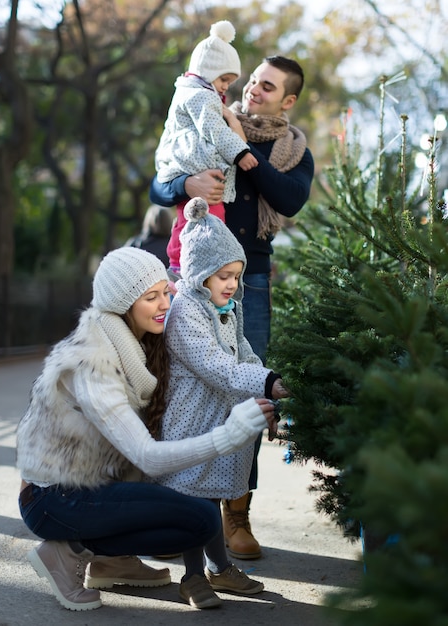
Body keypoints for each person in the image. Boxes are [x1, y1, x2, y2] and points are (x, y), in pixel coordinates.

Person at [16, 246, 277, 612]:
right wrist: (228, 435)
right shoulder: (94, 363)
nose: (165, 305)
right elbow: (146, 456)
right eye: (151, 297)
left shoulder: (137, 347)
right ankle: (66, 552)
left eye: (165, 293)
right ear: (123, 304)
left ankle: (111, 560)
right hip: (54, 499)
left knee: (182, 507)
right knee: (198, 519)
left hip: (97, 483)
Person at [150, 55, 315, 559]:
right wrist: (188, 185)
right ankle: (167, 499)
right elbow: (158, 181)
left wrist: (242, 150)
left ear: (287, 100)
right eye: (252, 81)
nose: (253, 91)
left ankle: (236, 516)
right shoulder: (204, 118)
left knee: (246, 384)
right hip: (187, 276)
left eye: (267, 87)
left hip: (251, 283)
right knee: (176, 383)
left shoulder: (292, 150)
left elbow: (289, 200)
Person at [155, 197, 289, 609]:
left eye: (235, 275)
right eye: (222, 276)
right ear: (198, 276)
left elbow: (243, 355)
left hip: (220, 417)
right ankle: (193, 576)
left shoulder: (226, 310)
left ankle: (219, 567)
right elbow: (217, 367)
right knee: (195, 499)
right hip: (193, 421)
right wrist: (265, 381)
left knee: (211, 496)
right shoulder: (186, 313)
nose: (231, 284)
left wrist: (267, 382)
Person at [155, 20, 258, 278]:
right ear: (208, 70)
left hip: (195, 171)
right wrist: (241, 152)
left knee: (195, 217)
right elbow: (215, 130)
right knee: (205, 219)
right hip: (195, 169)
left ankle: (190, 263)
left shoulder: (193, 92)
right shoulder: (200, 95)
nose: (226, 86)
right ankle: (184, 264)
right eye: (224, 79)